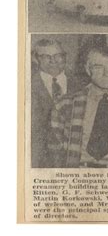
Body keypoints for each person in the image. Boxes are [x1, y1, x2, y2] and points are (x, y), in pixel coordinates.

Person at [31, 39, 80, 168]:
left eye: (58, 56)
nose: (53, 61)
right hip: (40, 160)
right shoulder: (26, 84)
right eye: (46, 56)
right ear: (36, 59)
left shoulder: (82, 85)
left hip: (74, 159)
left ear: (64, 56)